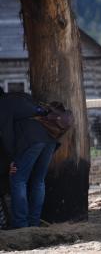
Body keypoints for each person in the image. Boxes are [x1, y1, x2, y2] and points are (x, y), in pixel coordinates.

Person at [0, 88, 58, 228]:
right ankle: (34, 222)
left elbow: (6, 135)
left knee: (18, 179)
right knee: (38, 181)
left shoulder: (2, 105)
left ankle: (20, 224)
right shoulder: (21, 97)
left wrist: (12, 159)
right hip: (50, 137)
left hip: (32, 140)